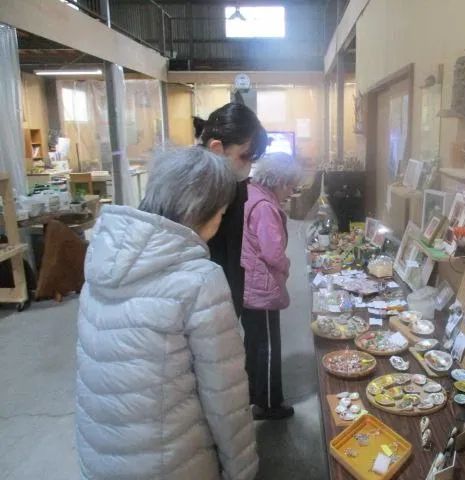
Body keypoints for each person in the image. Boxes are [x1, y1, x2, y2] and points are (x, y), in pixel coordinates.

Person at [75, 146, 258, 480]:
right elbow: (224, 397)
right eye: (221, 213)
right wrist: (241, 469)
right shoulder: (200, 280)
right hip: (170, 463)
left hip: (99, 457)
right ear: (199, 210)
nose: (220, 221)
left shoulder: (100, 262)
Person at [241, 152, 301, 420]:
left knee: (254, 342)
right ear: (278, 181)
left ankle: (253, 392)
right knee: (267, 346)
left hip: (249, 283)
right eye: (290, 186)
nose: (291, 192)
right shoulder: (265, 207)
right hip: (261, 288)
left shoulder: (251, 193)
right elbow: (273, 252)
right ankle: (267, 404)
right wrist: (286, 266)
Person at [195, 103, 268, 317]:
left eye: (252, 159)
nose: (248, 166)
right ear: (217, 148)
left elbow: (235, 245)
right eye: (244, 156)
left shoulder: (234, 182)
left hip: (226, 292)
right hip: (198, 300)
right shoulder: (188, 187)